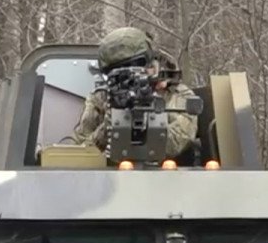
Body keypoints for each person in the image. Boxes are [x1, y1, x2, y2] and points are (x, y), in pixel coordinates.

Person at [67, 26, 200, 162]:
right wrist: (108, 127)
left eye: (139, 67)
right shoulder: (101, 98)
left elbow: (177, 142)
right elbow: (78, 152)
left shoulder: (177, 94)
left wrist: (145, 116)